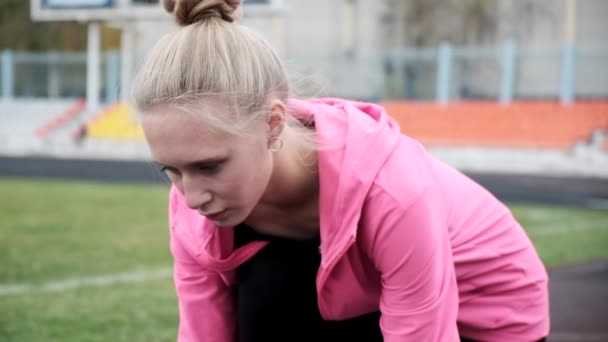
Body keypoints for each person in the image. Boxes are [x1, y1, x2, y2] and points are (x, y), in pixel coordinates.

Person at [132, 1, 550, 341]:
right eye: (172, 170)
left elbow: (423, 335)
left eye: (210, 166)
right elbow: (203, 334)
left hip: (487, 313)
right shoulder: (191, 199)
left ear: (272, 123)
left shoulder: (392, 190)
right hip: (358, 291)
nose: (192, 197)